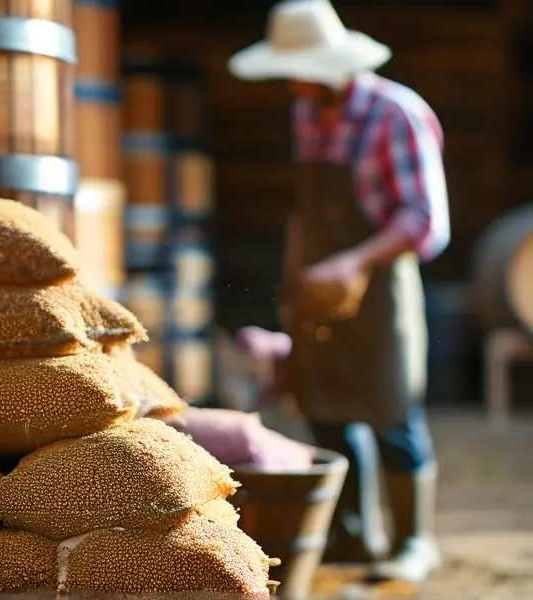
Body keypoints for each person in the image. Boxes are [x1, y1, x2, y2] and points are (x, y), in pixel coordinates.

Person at [227, 0, 451, 584]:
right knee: (323, 404)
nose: (291, 84)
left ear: (329, 65)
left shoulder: (395, 115)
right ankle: (352, 534)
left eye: (297, 71)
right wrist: (295, 289)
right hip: (320, 282)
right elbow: (308, 211)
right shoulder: (309, 112)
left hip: (380, 283)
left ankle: (413, 541)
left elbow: (426, 220)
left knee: (391, 409)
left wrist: (352, 262)